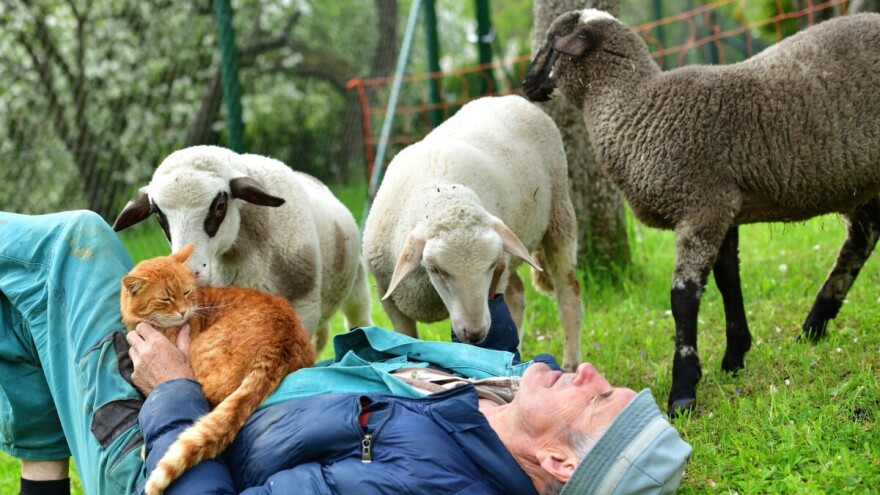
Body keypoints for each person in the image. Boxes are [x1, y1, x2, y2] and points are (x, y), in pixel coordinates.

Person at [0, 210, 692, 495]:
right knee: (23, 311)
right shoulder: (497, 405)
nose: (595, 370)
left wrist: (176, 387)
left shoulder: (412, 482)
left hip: (165, 451)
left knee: (68, 245)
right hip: (228, 401)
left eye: (598, 397)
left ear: (560, 460)